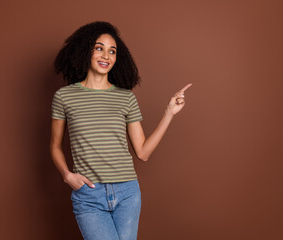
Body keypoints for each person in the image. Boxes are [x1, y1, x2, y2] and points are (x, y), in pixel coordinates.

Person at [50, 21, 192, 240]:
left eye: (112, 51)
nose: (106, 55)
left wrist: (169, 113)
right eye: (99, 48)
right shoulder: (64, 97)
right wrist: (67, 176)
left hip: (127, 193)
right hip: (88, 195)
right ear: (85, 50)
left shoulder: (125, 98)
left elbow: (143, 153)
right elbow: (55, 145)